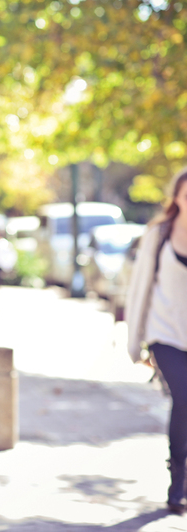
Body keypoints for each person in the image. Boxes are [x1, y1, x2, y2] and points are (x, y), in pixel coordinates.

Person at [126, 167, 187, 516]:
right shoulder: (159, 234)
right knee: (184, 397)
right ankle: (178, 478)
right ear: (176, 198)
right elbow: (140, 290)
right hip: (164, 334)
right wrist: (135, 343)